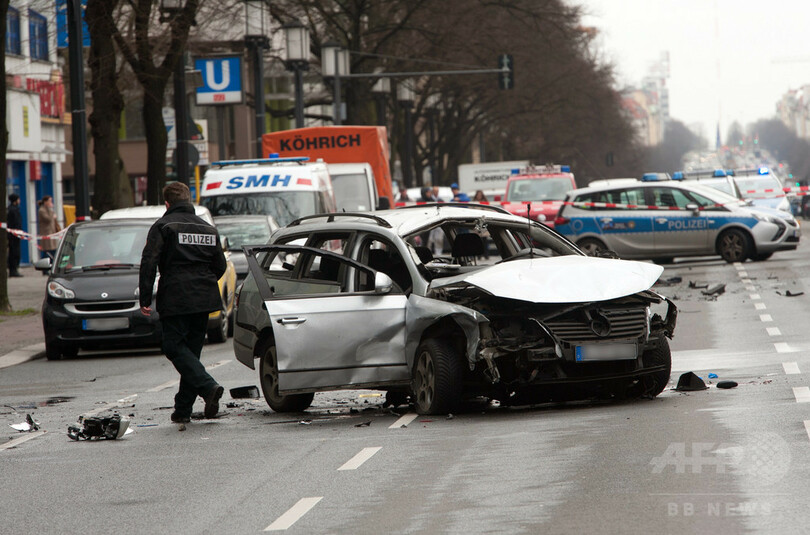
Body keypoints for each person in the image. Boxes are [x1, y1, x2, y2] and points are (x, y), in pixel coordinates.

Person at [139, 182, 227, 424]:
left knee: (172, 346)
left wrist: (145, 298)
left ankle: (209, 387)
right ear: (189, 201)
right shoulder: (208, 229)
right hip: (204, 296)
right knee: (191, 353)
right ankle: (183, 410)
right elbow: (220, 265)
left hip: (176, 295)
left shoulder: (163, 226)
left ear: (167, 203)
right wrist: (204, 282)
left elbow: (149, 262)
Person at [37, 195, 60, 261]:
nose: (51, 202)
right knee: (47, 250)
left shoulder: (49, 210)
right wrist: (51, 211)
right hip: (46, 233)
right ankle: (45, 266)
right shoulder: (42, 210)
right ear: (45, 202)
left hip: (51, 232)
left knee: (53, 250)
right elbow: (48, 219)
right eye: (49, 201)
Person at [7, 194, 22, 277]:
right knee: (14, 253)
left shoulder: (14, 209)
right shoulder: (12, 210)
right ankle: (13, 270)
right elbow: (14, 223)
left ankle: (14, 269)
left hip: (15, 234)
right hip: (13, 235)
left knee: (15, 252)